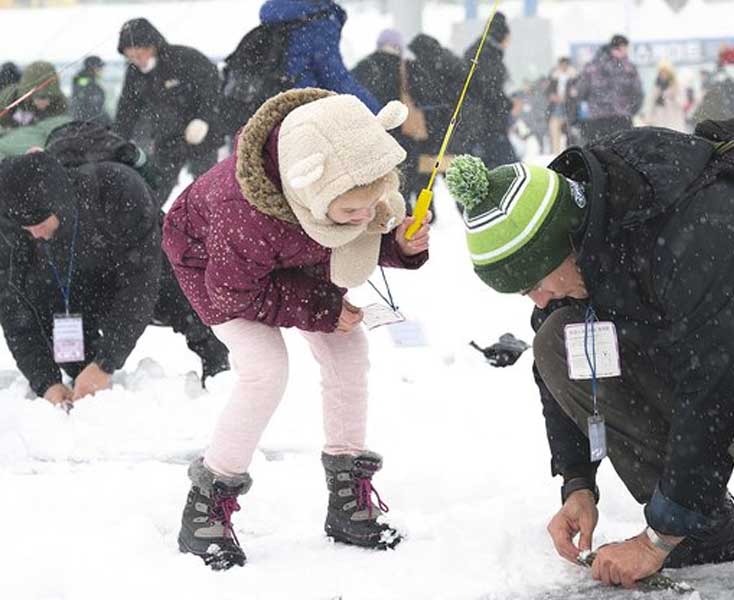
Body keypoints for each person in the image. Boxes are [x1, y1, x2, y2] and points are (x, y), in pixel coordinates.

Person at [444, 119, 734, 584]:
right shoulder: (586, 241)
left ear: (567, 242)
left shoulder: (698, 226)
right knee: (558, 340)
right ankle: (705, 529)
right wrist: (578, 482)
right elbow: (566, 365)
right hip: (728, 366)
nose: (539, 299)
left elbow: (716, 384)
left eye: (537, 283)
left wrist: (657, 539)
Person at [162, 89, 430, 570]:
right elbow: (233, 296)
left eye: (372, 206)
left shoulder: (349, 171)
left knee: (349, 348)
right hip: (215, 267)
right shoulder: (239, 211)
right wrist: (321, 309)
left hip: (294, 248)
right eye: (352, 211)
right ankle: (205, 509)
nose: (365, 217)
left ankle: (348, 500)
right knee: (265, 370)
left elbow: (358, 233)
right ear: (310, 194)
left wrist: (400, 245)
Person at [0, 152, 225, 406]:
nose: (34, 232)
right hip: (77, 287)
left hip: (145, 269)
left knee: (185, 296)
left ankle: (218, 371)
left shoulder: (119, 190)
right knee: (77, 364)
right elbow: (14, 311)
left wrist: (107, 362)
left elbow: (141, 285)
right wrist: (46, 382)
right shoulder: (11, 229)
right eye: (25, 226)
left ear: (58, 203)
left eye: (39, 221)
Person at [115, 18, 222, 204]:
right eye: (130, 57)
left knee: (207, 190)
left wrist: (203, 119)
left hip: (201, 135)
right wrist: (117, 140)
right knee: (155, 193)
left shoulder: (186, 58)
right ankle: (155, 228)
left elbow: (212, 89)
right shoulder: (134, 73)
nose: (136, 61)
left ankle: (209, 229)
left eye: (139, 54)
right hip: (167, 140)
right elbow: (127, 110)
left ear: (152, 46)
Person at [259, 0, 380, 112]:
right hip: (305, 108)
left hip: (273, 106)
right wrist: (376, 111)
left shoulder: (279, 14)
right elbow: (336, 78)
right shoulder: (318, 19)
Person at [351, 29, 420, 200]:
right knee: (402, 181)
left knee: (375, 183)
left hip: (370, 131)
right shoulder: (407, 68)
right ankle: (402, 209)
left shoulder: (364, 65)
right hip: (401, 131)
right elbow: (421, 97)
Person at [459, 11, 517, 166]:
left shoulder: (479, 50)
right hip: (486, 125)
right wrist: (510, 105)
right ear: (502, 36)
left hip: (477, 123)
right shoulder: (487, 55)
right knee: (510, 170)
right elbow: (490, 90)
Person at [574, 35, 644, 144]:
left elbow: (581, 92)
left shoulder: (592, 66)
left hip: (595, 119)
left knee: (596, 153)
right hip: (621, 118)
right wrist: (631, 110)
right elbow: (638, 93)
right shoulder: (629, 68)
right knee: (620, 153)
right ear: (622, 47)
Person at [0, 62, 72, 158]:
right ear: (27, 94)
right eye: (41, 97)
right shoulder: (8, 99)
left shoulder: (60, 105)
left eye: (50, 97)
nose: (46, 102)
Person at [546, 57, 577, 154]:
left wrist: (568, 97)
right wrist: (552, 96)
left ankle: (570, 153)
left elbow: (576, 92)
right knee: (554, 131)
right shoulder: (553, 76)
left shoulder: (574, 77)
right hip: (556, 107)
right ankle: (555, 153)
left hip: (569, 108)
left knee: (570, 133)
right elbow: (547, 91)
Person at [645, 61, 687, 132]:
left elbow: (683, 103)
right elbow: (650, 103)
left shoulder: (676, 86)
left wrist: (673, 97)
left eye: (665, 73)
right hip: (659, 120)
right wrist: (648, 118)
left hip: (674, 121)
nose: (663, 75)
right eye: (661, 73)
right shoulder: (656, 86)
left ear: (669, 74)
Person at [71, 55, 110, 125]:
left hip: (83, 122)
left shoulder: (82, 80)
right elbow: (94, 107)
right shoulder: (89, 84)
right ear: (93, 68)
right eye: (100, 67)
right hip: (89, 123)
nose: (102, 70)